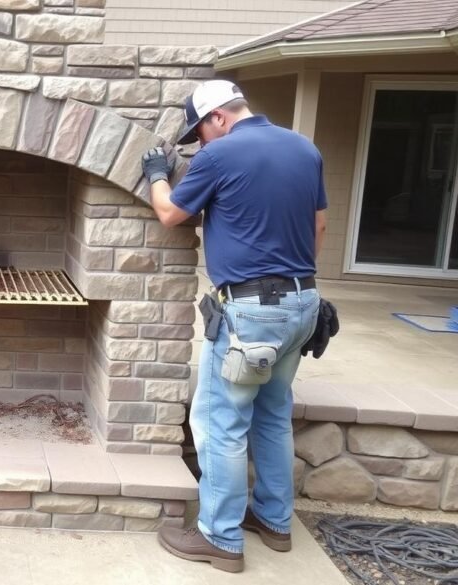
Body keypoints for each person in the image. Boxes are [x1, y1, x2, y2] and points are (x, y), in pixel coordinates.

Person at [140, 80, 326, 573]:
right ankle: (274, 521)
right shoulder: (304, 148)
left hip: (250, 311)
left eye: (199, 132)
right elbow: (319, 226)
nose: (199, 144)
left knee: (220, 423)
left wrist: (158, 174)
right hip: (303, 301)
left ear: (218, 117)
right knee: (271, 414)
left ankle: (219, 539)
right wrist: (300, 290)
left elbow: (169, 213)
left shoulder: (218, 157)